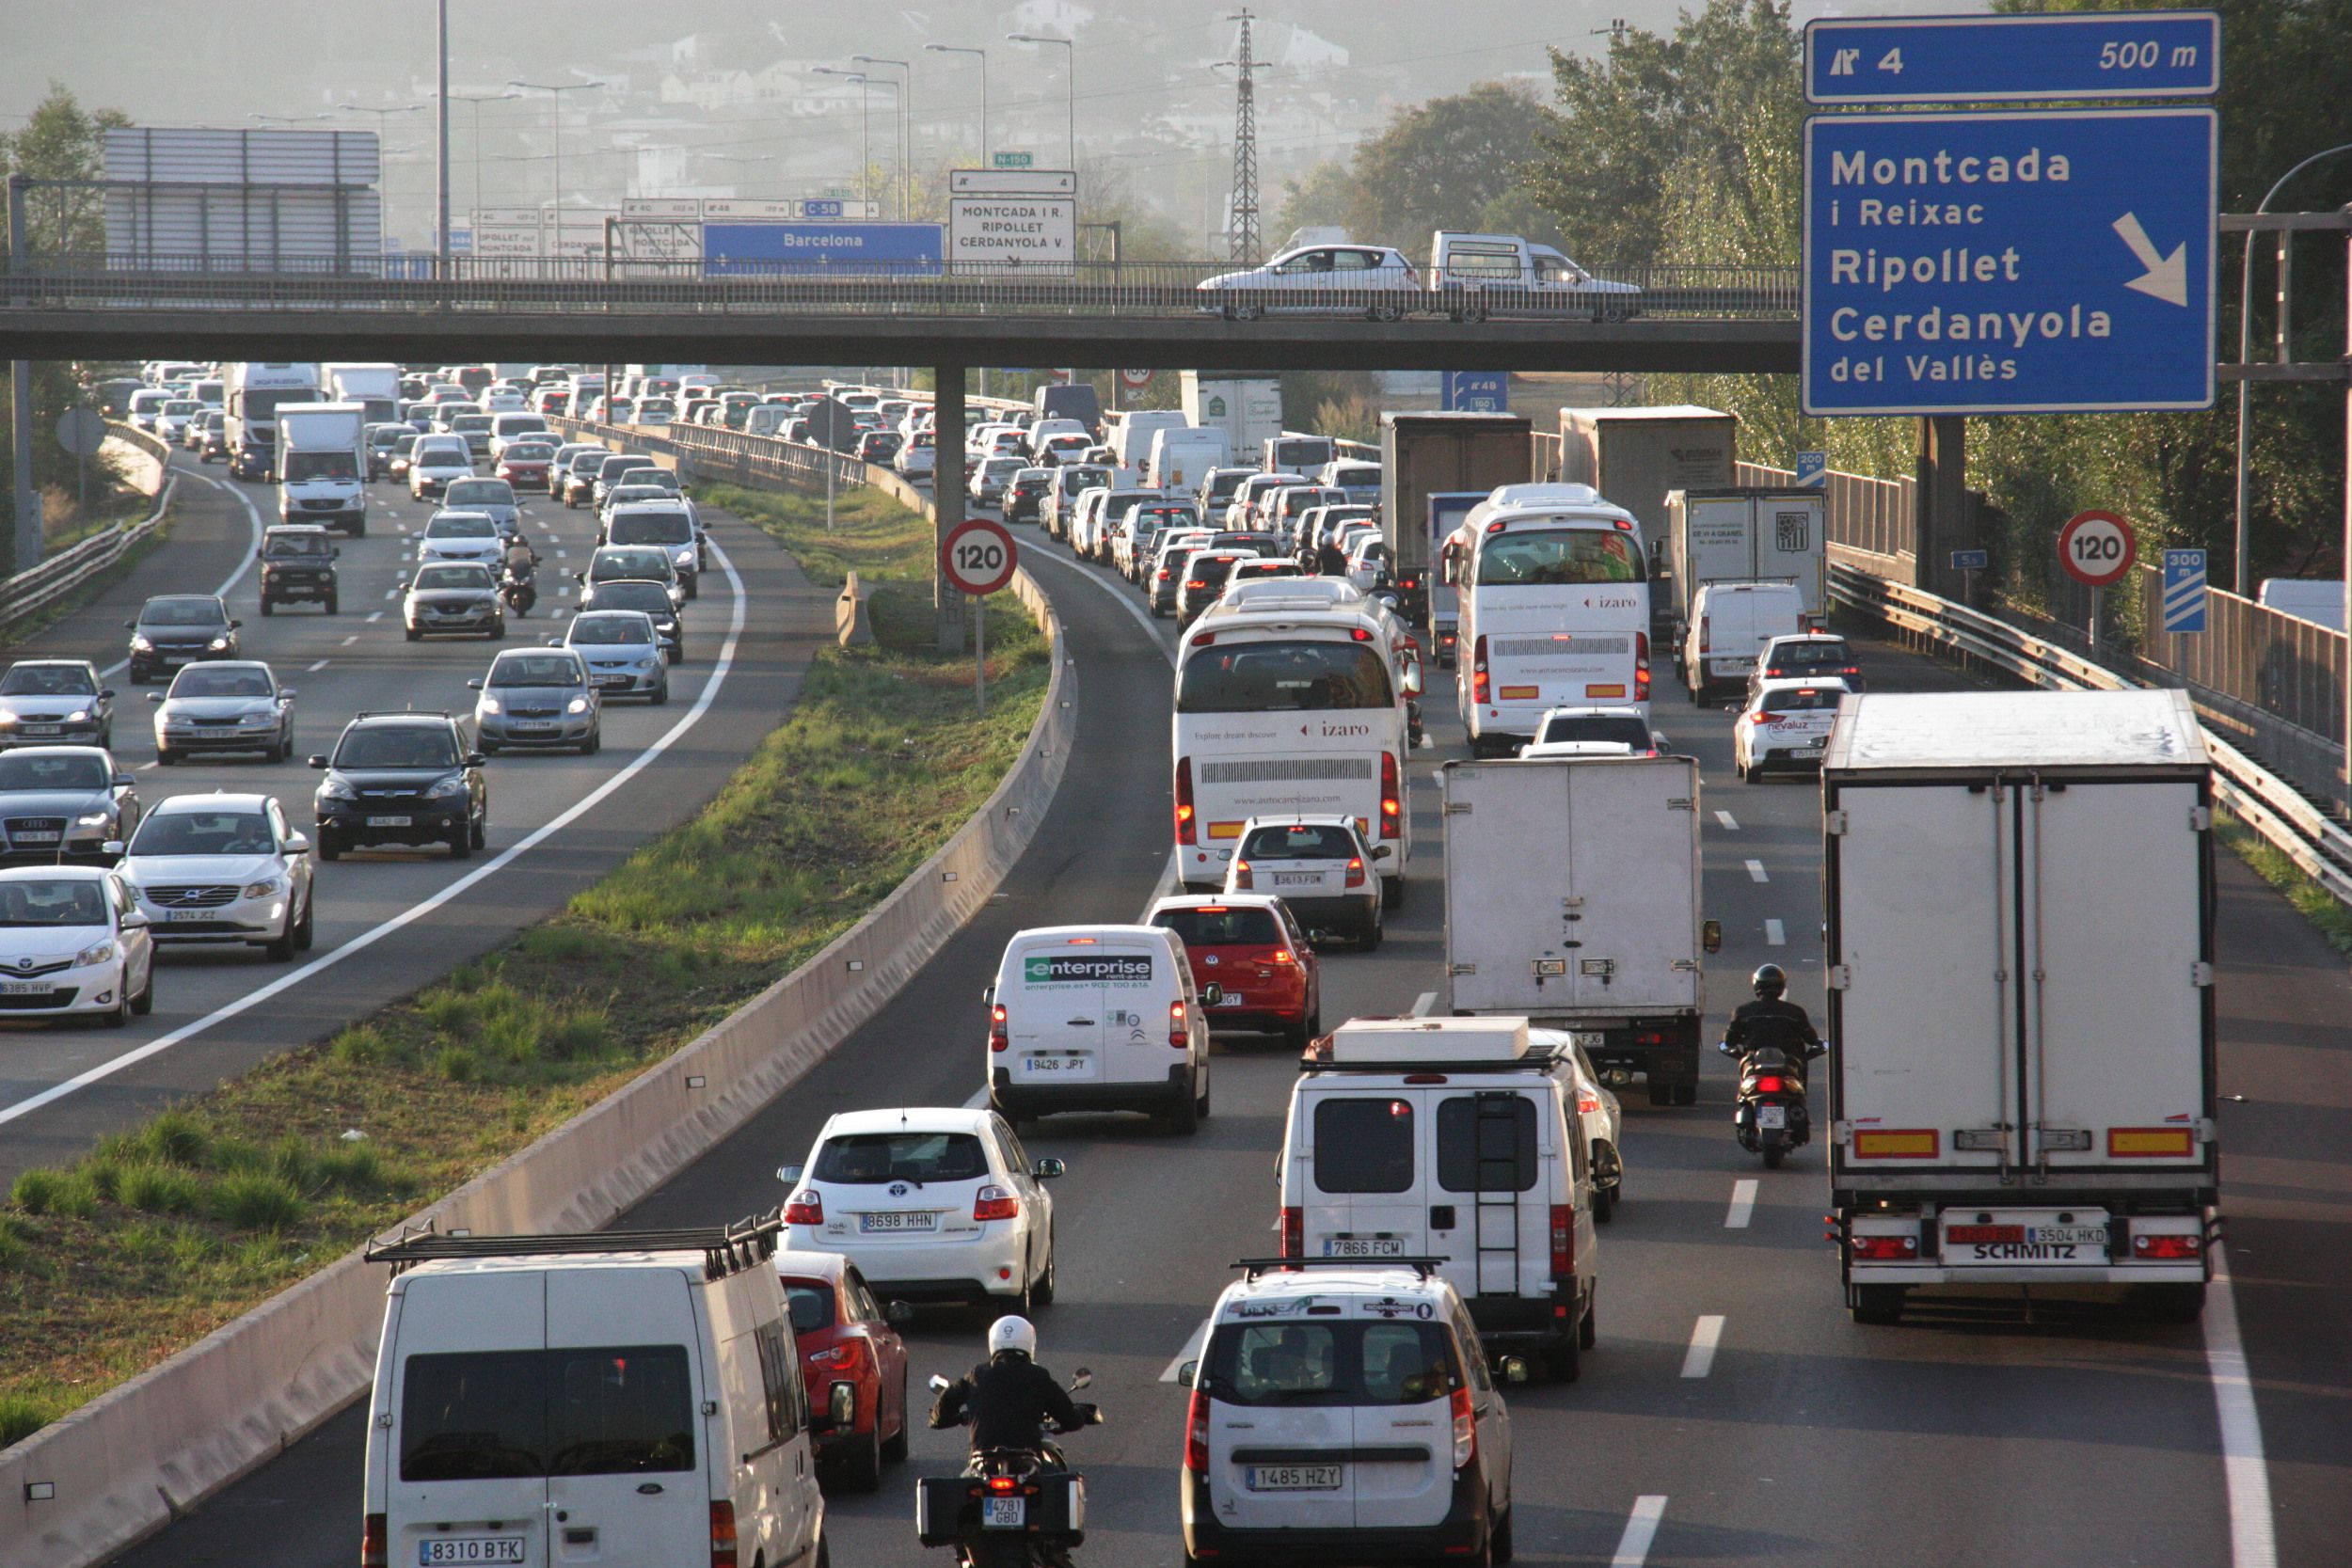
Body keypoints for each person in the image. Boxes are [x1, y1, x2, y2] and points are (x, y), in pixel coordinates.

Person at [929, 1315, 1082, 1458]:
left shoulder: (976, 1374)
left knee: (966, 1477)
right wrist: (1080, 1414)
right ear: (1030, 1342)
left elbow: (940, 1415)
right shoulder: (1038, 1375)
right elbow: (1070, 1419)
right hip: (1026, 1459)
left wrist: (957, 1418)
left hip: (983, 1459)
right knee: (1056, 1473)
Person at [1723, 963, 1824, 1074]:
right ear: (1782, 986)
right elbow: (1812, 1039)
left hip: (1754, 1067)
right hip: (1787, 1068)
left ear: (1757, 984)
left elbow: (1729, 1040)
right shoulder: (1795, 1012)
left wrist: (1740, 1051)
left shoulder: (1743, 1011)